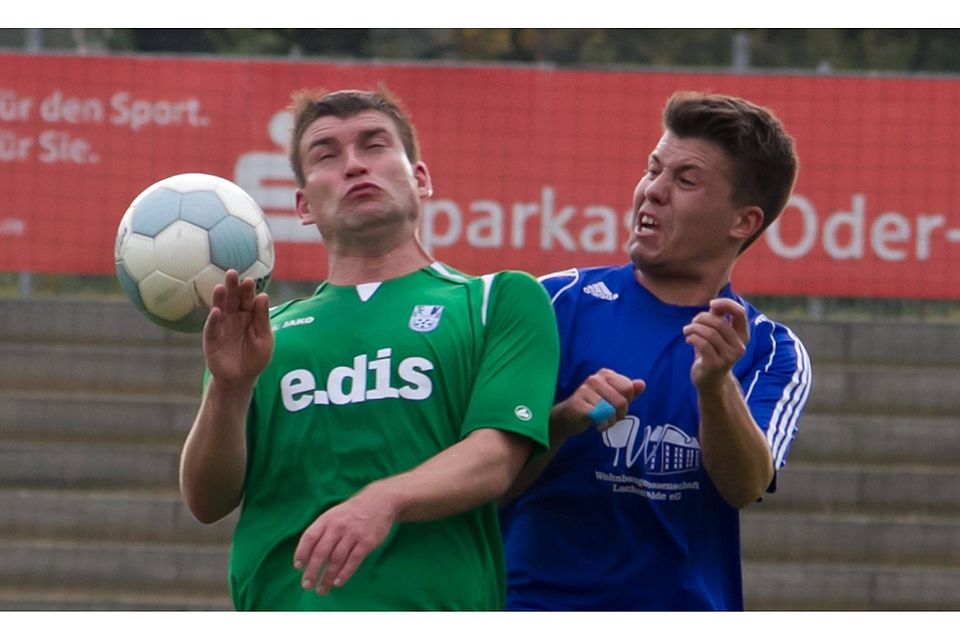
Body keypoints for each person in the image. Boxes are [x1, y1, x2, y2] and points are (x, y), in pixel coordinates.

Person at [179, 87, 560, 611]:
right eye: (327, 155)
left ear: (420, 179)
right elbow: (206, 501)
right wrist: (229, 386)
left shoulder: (497, 300)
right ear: (303, 206)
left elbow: (494, 460)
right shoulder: (261, 332)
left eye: (374, 145)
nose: (354, 165)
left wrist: (383, 500)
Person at [499, 91, 812, 611]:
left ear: (743, 222)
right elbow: (487, 476)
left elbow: (744, 485)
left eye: (685, 180)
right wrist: (561, 420)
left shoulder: (774, 350)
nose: (653, 191)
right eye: (653, 169)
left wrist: (715, 387)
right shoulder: (550, 303)